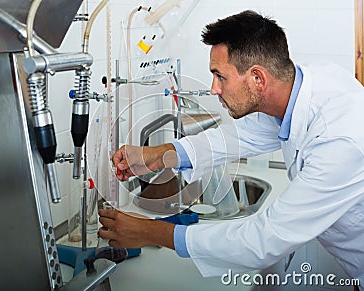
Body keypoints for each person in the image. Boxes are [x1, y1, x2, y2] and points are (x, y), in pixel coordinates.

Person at [98, 10, 364, 289]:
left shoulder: (338, 141)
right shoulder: (301, 85)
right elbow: (238, 137)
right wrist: (159, 155)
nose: (214, 89)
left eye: (220, 76)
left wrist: (150, 232)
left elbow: (265, 239)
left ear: (257, 78)